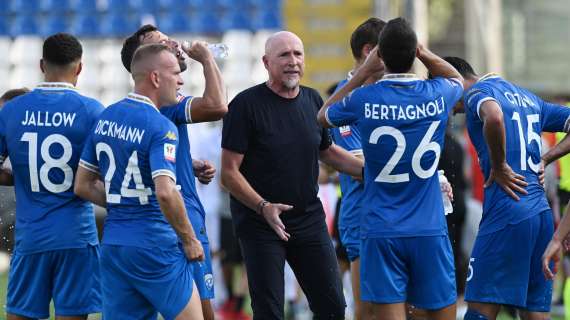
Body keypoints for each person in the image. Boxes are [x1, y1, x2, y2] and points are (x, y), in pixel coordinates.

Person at [318, 18, 464, 320]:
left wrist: (361, 73)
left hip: (381, 226)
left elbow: (323, 116)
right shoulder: (435, 93)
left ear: (378, 55)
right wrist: (422, 52)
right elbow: (457, 80)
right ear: (413, 53)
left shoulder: (363, 98)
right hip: (427, 226)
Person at [221, 31, 364, 320]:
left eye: (298, 54)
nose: (293, 62)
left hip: (307, 218)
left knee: (333, 306)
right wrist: (263, 206)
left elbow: (328, 151)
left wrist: (376, 174)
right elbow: (228, 173)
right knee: (270, 312)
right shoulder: (245, 105)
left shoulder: (312, 99)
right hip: (260, 222)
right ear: (265, 62)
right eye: (284, 55)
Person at [75, 43, 204, 319]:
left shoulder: (105, 117)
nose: (181, 80)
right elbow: (166, 193)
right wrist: (190, 240)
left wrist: (124, 203)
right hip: (155, 246)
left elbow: (83, 185)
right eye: (174, 73)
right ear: (155, 78)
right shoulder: (162, 127)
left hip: (114, 245)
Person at [443, 56, 570, 320]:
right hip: (541, 217)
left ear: (453, 82)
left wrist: (499, 165)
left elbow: (495, 116)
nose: (448, 109)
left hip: (506, 213)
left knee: (479, 308)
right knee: (534, 312)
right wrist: (546, 158)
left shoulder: (477, 93)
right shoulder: (528, 98)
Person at [121, 24, 227, 320]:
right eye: (159, 44)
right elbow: (219, 105)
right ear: (149, 66)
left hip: (144, 228)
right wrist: (206, 59)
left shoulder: (137, 110)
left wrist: (186, 163)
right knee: (203, 315)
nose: (170, 43)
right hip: (180, 219)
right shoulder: (167, 103)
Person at [0, 33, 103, 320]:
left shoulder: (12, 111)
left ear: (41, 64)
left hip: (31, 236)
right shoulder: (92, 111)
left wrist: (17, 176)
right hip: (76, 237)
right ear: (80, 68)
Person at [328, 17, 385, 320]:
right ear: (369, 51)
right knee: (367, 311)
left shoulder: (392, 92)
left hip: (397, 214)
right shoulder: (344, 99)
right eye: (388, 49)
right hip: (363, 215)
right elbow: (355, 163)